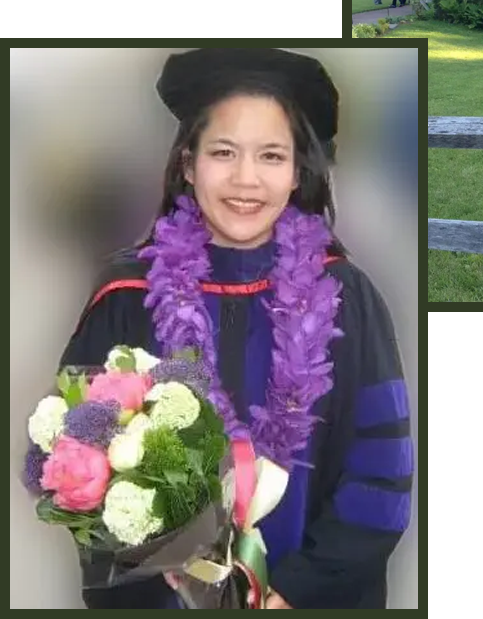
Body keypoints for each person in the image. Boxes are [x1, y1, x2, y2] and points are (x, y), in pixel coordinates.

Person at [58, 48, 413, 607]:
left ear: (298, 172)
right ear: (188, 163)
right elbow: (81, 465)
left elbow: (381, 473)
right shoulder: (126, 299)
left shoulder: (347, 297)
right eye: (223, 152)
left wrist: (293, 592)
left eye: (272, 155)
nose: (246, 179)